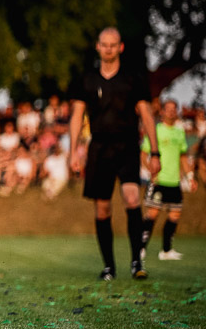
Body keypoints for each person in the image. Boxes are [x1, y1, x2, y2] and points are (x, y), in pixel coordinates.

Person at [68, 27, 160, 281]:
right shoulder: (87, 79)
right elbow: (77, 116)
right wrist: (73, 151)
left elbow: (146, 114)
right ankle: (109, 266)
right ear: (98, 47)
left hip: (127, 146)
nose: (108, 49)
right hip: (99, 148)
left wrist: (155, 152)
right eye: (104, 45)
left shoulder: (133, 78)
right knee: (102, 209)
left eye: (113, 45)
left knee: (132, 198)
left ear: (120, 47)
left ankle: (136, 262)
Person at [140, 100, 196, 260]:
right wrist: (150, 171)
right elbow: (143, 154)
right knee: (152, 214)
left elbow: (183, 157)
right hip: (158, 181)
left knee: (175, 215)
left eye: (174, 109)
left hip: (174, 181)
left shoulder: (179, 133)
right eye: (168, 109)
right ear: (162, 112)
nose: (171, 111)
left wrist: (190, 176)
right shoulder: (155, 130)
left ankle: (166, 251)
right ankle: (140, 248)